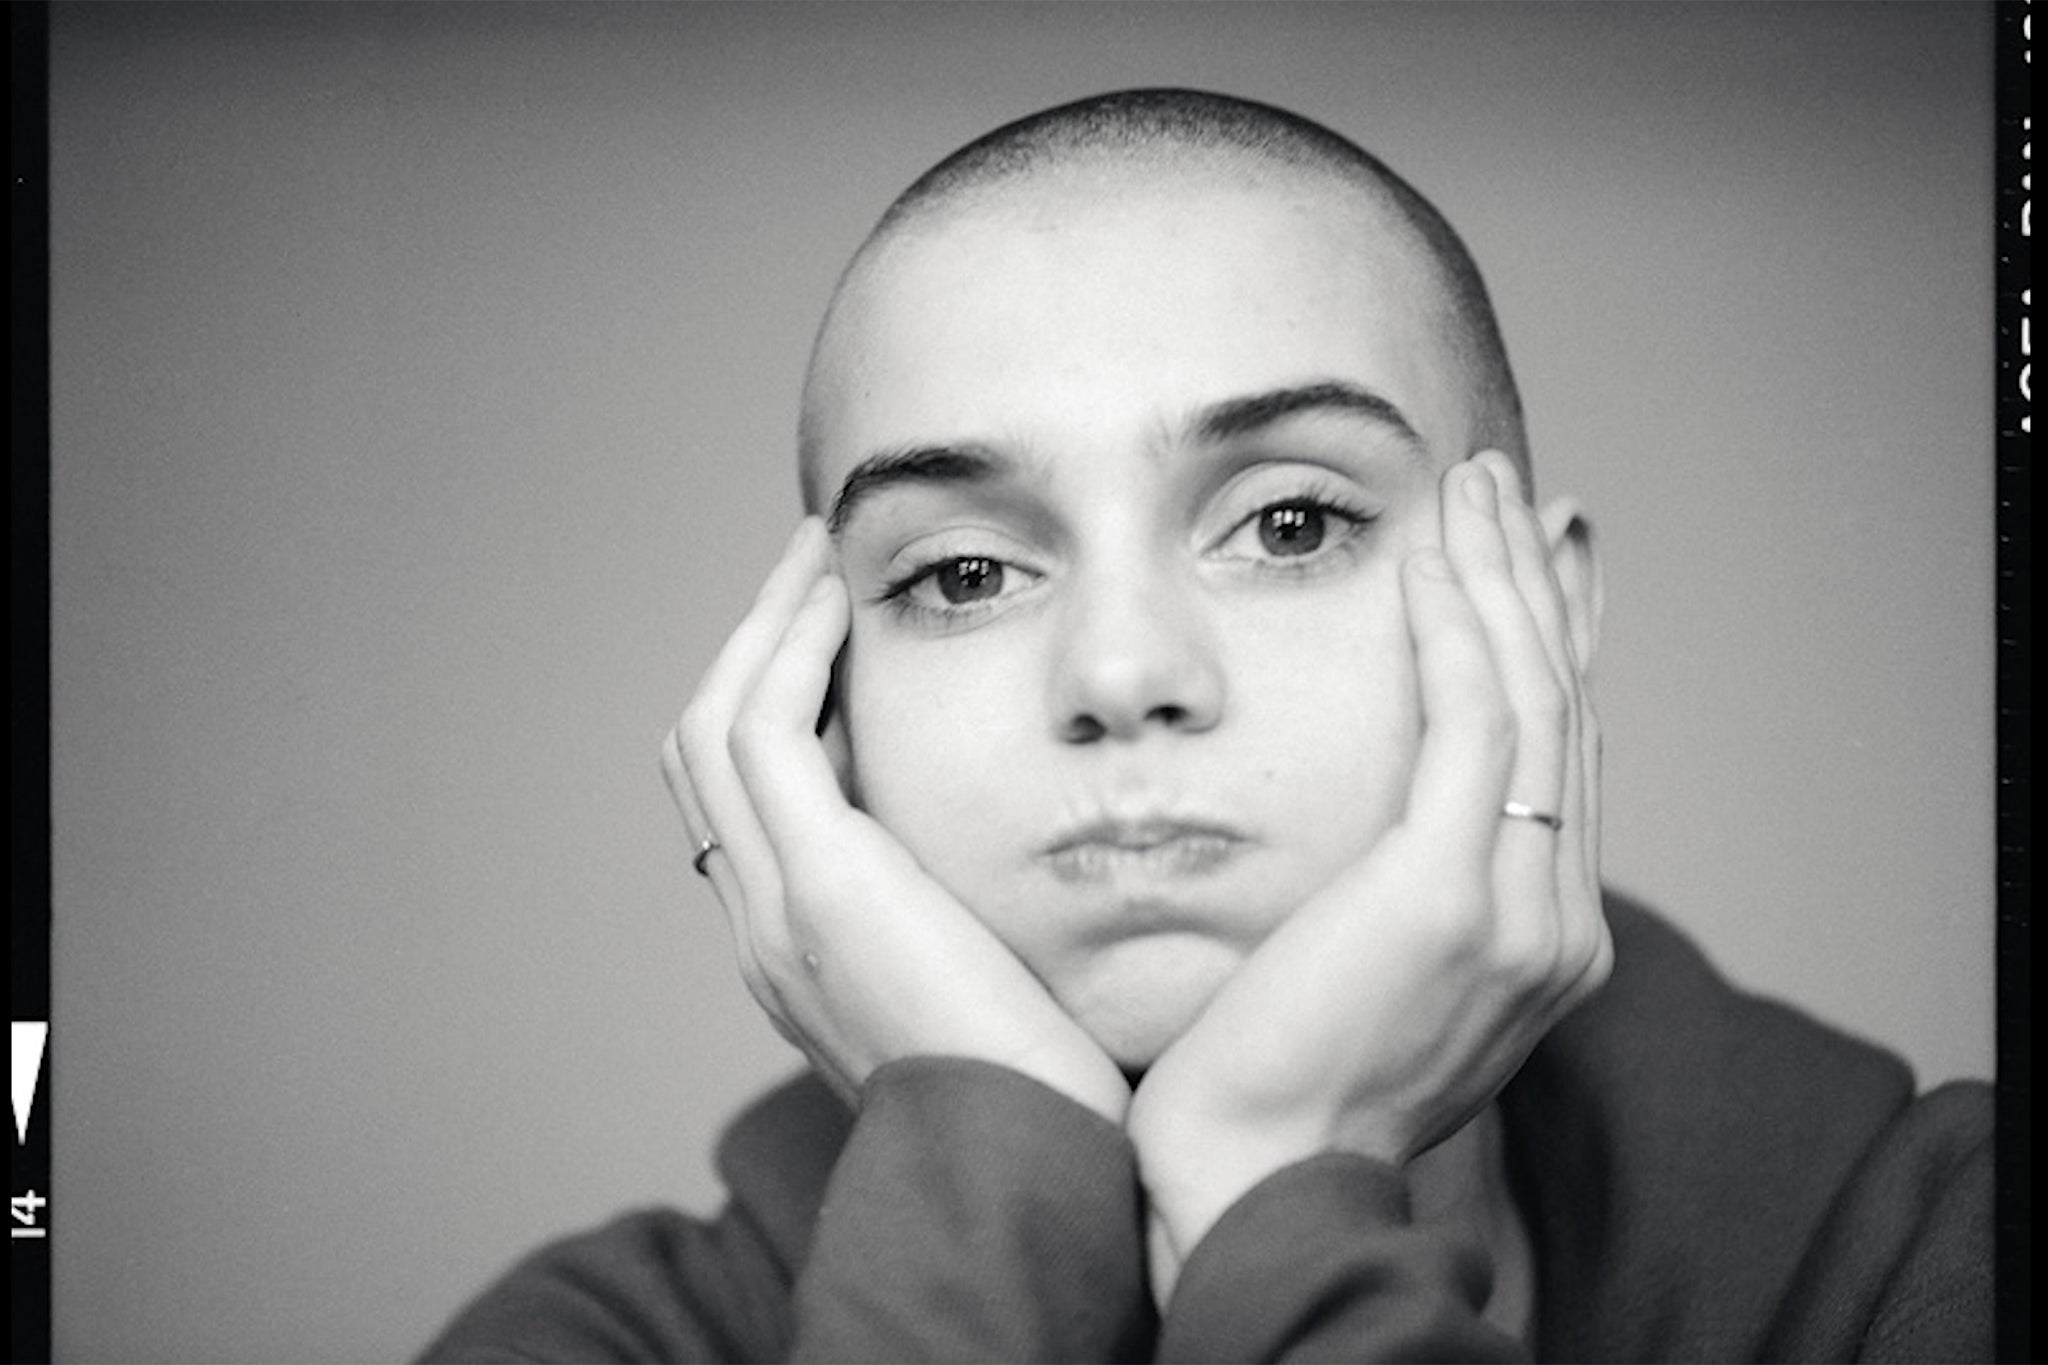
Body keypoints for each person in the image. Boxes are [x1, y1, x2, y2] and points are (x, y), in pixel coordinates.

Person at [420, 89, 1992, 1363]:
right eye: (963, 571)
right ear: (816, 709)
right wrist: (996, 1187)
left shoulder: (1950, 1264)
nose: (1119, 671)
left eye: (1291, 524)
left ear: (1550, 622)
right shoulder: (592, 1343)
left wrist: (1275, 1189)